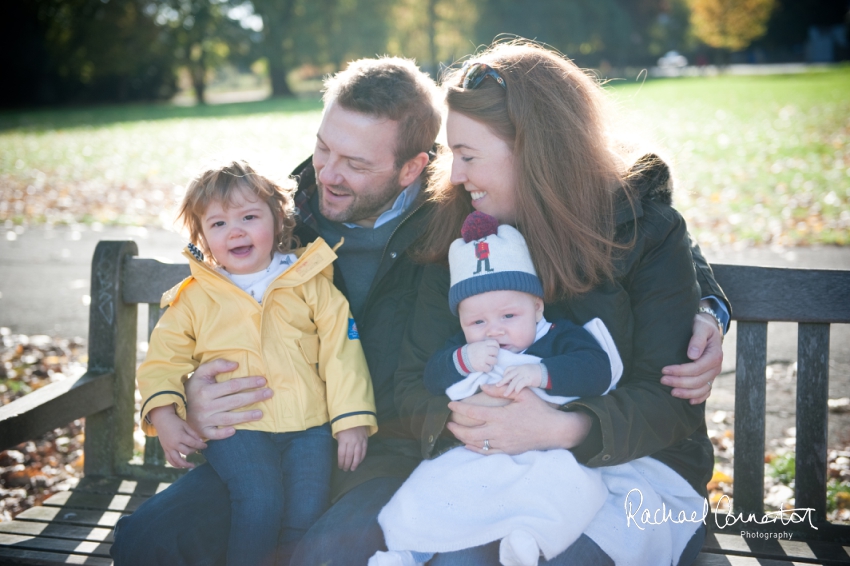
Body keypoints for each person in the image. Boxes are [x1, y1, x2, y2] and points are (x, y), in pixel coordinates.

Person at [110, 53, 727, 566]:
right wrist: (184, 393)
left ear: (413, 166)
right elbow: (210, 290)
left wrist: (709, 305)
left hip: (398, 450)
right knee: (146, 544)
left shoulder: (455, 220)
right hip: (281, 439)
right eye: (323, 148)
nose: (328, 175)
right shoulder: (286, 213)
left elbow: (636, 242)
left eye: (355, 163)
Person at [391, 42, 725, 564]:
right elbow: (411, 384)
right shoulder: (461, 240)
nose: (453, 174)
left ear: (534, 150)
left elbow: (670, 405)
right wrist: (467, 416)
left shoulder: (643, 232)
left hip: (638, 471)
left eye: (469, 155)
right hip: (492, 466)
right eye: (453, 152)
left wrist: (563, 428)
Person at [135, 161, 377, 566]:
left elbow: (342, 351)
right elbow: (163, 360)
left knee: (305, 510)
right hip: (238, 428)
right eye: (218, 224)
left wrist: (351, 418)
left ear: (278, 220)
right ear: (202, 236)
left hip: (310, 427)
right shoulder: (195, 297)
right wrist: (164, 414)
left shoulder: (309, 281)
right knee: (260, 500)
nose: (235, 231)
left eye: (249, 217)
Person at [371, 212, 621, 566]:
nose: (494, 331)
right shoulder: (465, 348)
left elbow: (596, 370)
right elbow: (432, 376)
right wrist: (463, 359)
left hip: (548, 450)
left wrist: (542, 372)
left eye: (508, 317)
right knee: (431, 485)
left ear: (536, 307)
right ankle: (408, 548)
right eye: (477, 322)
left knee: (570, 488)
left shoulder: (559, 338)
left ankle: (529, 540)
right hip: (478, 452)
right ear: (461, 321)